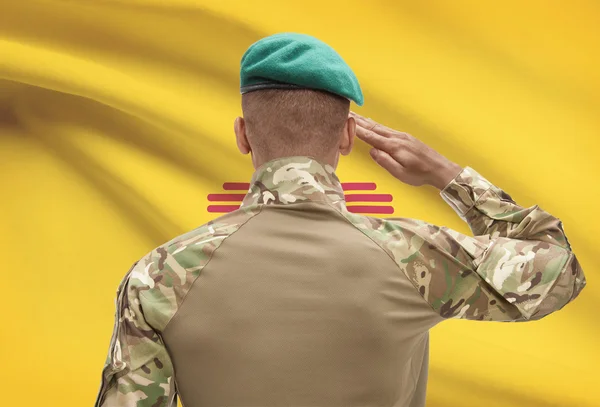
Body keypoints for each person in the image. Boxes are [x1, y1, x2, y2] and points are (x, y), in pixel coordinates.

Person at [95, 33, 586, 407]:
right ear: (349, 135)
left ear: (243, 135)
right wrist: (447, 174)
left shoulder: (158, 276)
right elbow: (558, 268)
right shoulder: (415, 256)